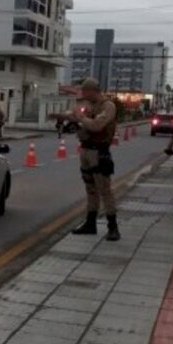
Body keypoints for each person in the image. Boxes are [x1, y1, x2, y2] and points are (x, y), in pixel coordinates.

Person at [51, 78, 120, 241]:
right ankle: (90, 223)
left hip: (99, 152)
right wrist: (61, 116)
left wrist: (80, 117)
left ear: (92, 90)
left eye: (84, 91)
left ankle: (113, 227)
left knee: (104, 189)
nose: (82, 94)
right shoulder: (90, 106)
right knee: (90, 189)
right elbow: (78, 117)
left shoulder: (107, 106)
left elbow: (96, 125)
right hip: (87, 150)